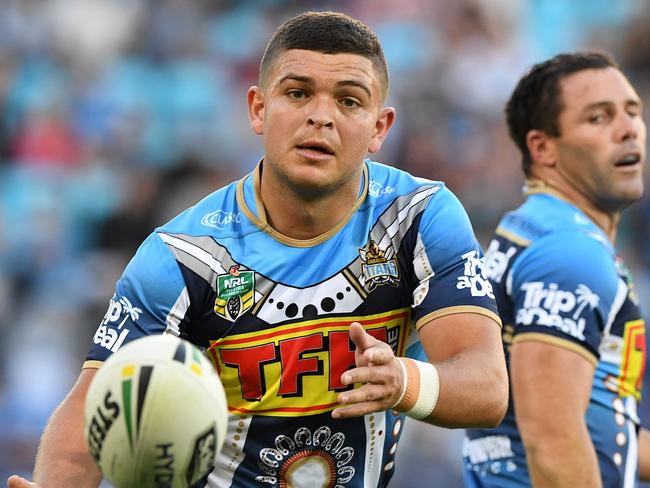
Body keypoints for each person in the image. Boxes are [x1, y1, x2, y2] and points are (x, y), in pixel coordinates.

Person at [8, 11, 508, 488]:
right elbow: (93, 409)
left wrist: (402, 381)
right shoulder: (185, 256)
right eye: (297, 93)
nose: (321, 117)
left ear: (380, 127)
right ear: (258, 109)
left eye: (349, 101)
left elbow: (486, 386)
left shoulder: (418, 218)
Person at [463, 52, 649, 487]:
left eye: (632, 111)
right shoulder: (569, 252)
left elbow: (598, 427)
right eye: (599, 118)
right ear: (543, 147)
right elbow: (552, 441)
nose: (628, 129)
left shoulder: (536, 228)